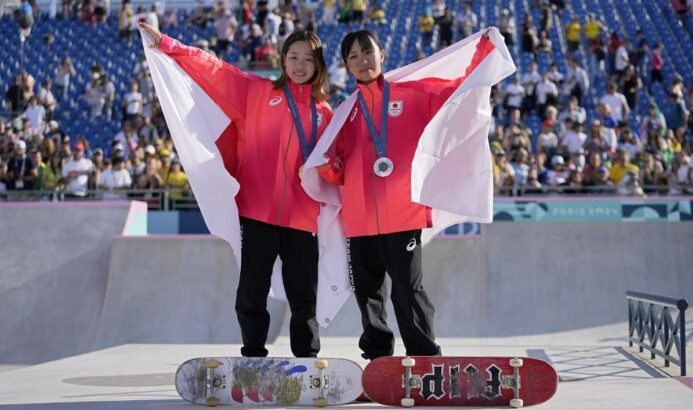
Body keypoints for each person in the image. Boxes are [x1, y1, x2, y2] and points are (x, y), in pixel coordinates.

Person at [139, 22, 333, 358]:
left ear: (319, 66)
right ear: (283, 59)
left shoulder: (325, 114)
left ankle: (307, 359)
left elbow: (335, 164)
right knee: (251, 291)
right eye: (294, 57)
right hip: (257, 212)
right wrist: (169, 44)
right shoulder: (256, 93)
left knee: (304, 294)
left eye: (309, 59)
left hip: (303, 218)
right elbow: (214, 69)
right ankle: (254, 354)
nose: (300, 65)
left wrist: (326, 170)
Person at [315, 29, 500, 360]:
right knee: (367, 293)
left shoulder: (412, 93)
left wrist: (481, 52)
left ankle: (425, 357)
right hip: (358, 221)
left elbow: (459, 92)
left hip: (402, 214)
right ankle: (378, 360)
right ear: (346, 65)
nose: (362, 61)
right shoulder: (347, 111)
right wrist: (326, 168)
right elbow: (337, 165)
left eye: (366, 52)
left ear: (381, 54)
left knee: (407, 290)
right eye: (353, 57)